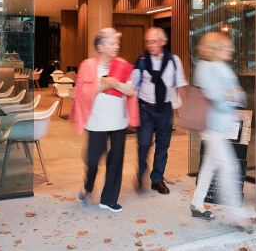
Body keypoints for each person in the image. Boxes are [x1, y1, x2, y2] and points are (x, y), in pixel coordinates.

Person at [71, 28, 138, 213]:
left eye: (117, 43)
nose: (116, 46)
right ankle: (88, 186)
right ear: (100, 46)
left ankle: (108, 200)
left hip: (118, 121)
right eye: (112, 43)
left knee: (115, 161)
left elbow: (131, 90)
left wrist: (114, 83)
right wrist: (102, 85)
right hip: (96, 122)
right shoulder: (88, 65)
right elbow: (80, 93)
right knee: (92, 160)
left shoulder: (122, 64)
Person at [189, 32, 245, 220]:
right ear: (214, 49)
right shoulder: (205, 68)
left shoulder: (223, 68)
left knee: (209, 166)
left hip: (223, 125)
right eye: (225, 47)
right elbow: (214, 96)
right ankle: (237, 215)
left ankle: (196, 204)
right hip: (212, 126)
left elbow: (240, 96)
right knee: (228, 166)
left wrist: (230, 95)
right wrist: (229, 95)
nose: (231, 49)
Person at [131, 27, 188, 194]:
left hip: (165, 108)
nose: (150, 45)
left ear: (163, 42)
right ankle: (142, 170)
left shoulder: (173, 61)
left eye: (154, 41)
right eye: (148, 42)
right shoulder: (141, 60)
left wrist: (184, 105)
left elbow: (180, 83)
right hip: (145, 108)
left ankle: (157, 179)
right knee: (144, 142)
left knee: (163, 144)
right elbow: (133, 85)